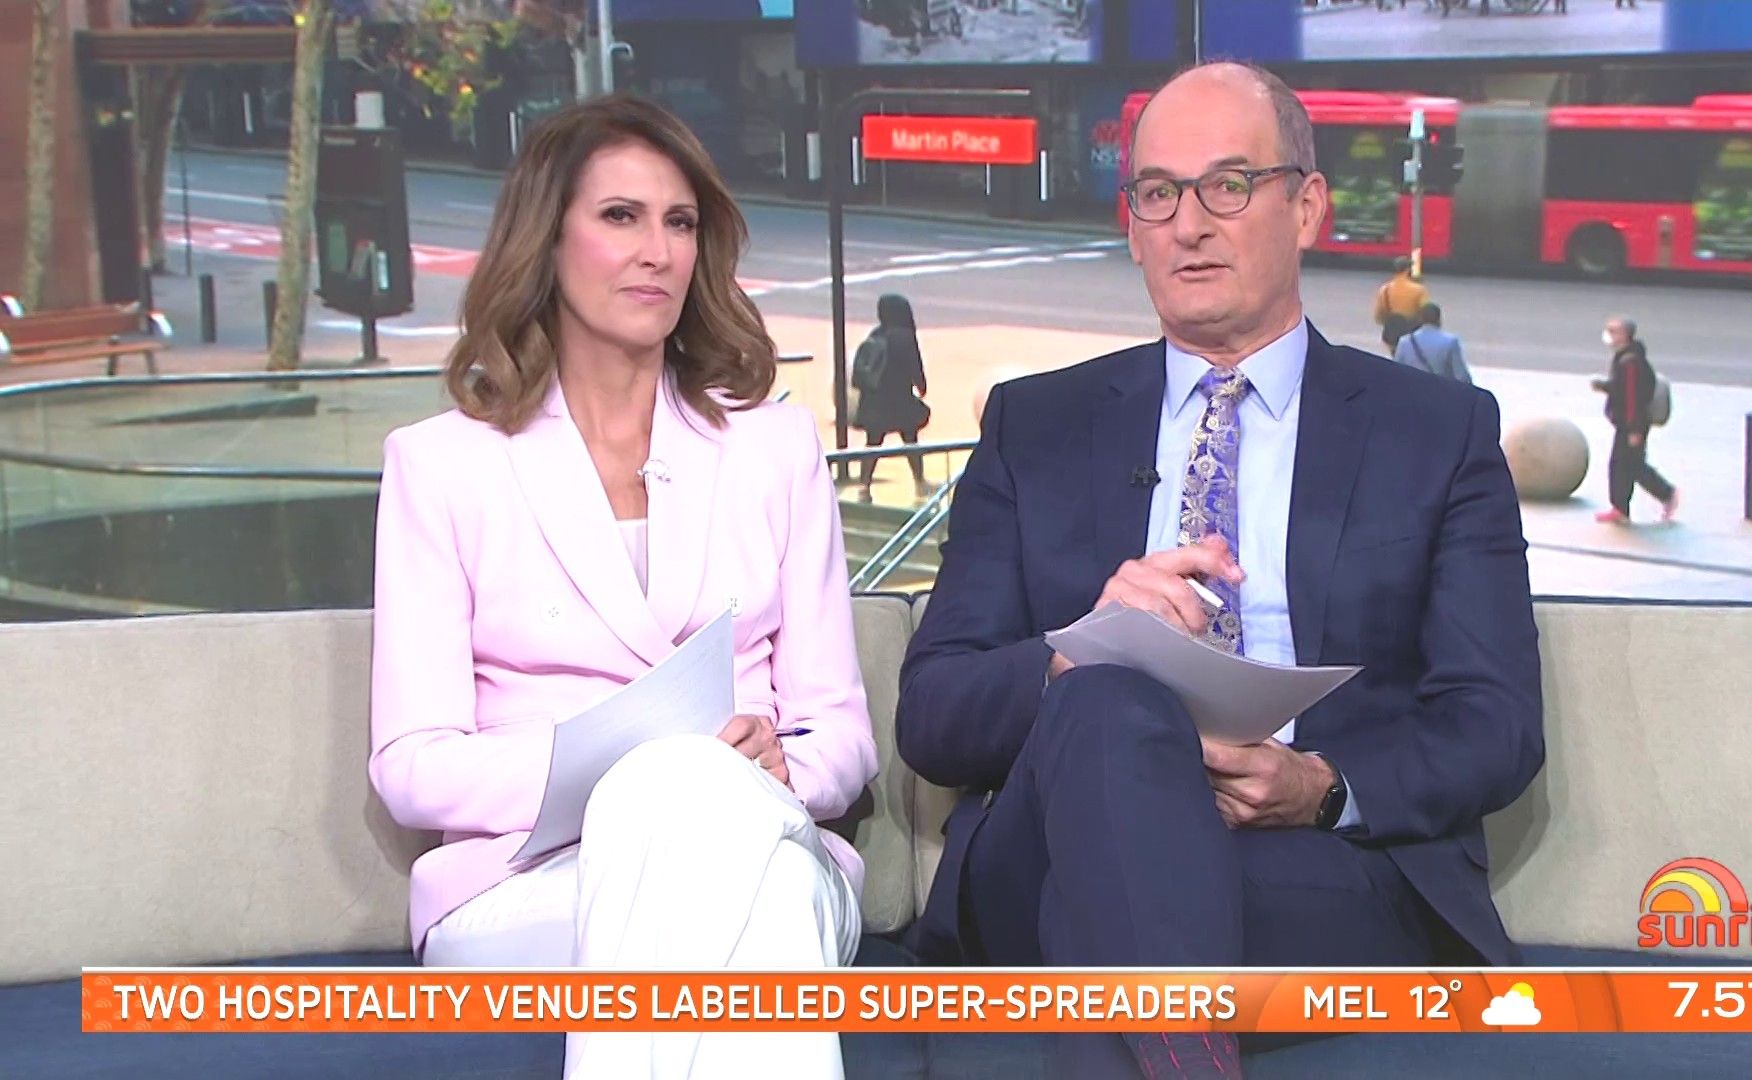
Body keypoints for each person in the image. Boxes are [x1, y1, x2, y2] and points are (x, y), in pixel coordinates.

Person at [896, 63, 1543, 1080]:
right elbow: (933, 716)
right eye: (1158, 193)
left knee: (1100, 927)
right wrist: (1076, 654)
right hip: (1053, 835)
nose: (1188, 225)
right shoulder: (1036, 426)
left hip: (1316, 865)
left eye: (1228, 186)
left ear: (1308, 207)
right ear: (1132, 225)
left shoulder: (1435, 433)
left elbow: (1495, 721)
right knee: (1108, 695)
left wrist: (1321, 786)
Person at [368, 95, 877, 1079]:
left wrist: (782, 771)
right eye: (620, 216)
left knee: (724, 833)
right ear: (546, 240)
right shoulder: (443, 466)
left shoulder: (773, 449)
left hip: (768, 837)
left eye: (679, 222)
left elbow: (842, 738)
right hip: (529, 881)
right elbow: (413, 765)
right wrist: (635, 774)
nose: (658, 251)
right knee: (709, 839)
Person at [1591, 316, 1678, 525]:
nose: (1608, 335)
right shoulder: (1626, 357)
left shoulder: (1630, 362)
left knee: (1632, 465)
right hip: (1627, 422)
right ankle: (1620, 508)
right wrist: (1604, 386)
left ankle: (1667, 494)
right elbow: (1621, 388)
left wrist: (1634, 429)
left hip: (1632, 423)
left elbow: (1633, 397)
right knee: (1622, 465)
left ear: (1624, 335)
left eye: (1613, 331)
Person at [851, 293, 934, 502]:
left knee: (873, 443)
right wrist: (921, 385)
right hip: (900, 398)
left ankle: (864, 487)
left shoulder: (876, 334)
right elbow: (915, 365)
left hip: (875, 400)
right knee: (910, 440)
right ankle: (920, 482)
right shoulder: (905, 337)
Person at [1392, 301, 1473, 384]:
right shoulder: (1451, 341)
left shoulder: (1405, 342)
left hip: (1413, 388)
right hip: (1440, 389)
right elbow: (1462, 376)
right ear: (1439, 319)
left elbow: (1397, 373)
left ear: (1420, 319)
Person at [1372, 253, 1429, 351]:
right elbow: (1426, 312)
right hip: (1412, 334)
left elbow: (1379, 316)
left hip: (1393, 333)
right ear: (1408, 270)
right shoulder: (1419, 289)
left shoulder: (1385, 289)